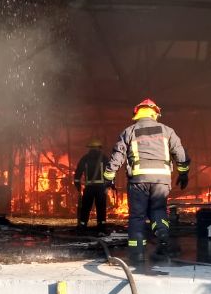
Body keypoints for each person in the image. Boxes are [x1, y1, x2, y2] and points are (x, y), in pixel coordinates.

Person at [103, 98, 190, 263]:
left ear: (137, 113)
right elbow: (180, 154)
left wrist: (109, 177)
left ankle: (137, 254)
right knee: (158, 211)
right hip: (161, 180)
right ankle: (163, 238)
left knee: (137, 216)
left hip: (138, 181)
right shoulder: (167, 131)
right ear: (155, 113)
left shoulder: (129, 131)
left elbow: (117, 157)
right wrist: (183, 173)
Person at [73, 139, 109, 233]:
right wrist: (110, 184)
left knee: (86, 207)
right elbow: (110, 171)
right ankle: (101, 226)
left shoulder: (85, 158)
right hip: (101, 188)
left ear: (90, 148)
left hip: (89, 187)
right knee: (101, 207)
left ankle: (83, 225)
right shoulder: (104, 158)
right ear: (99, 148)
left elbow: (78, 171)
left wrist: (77, 183)